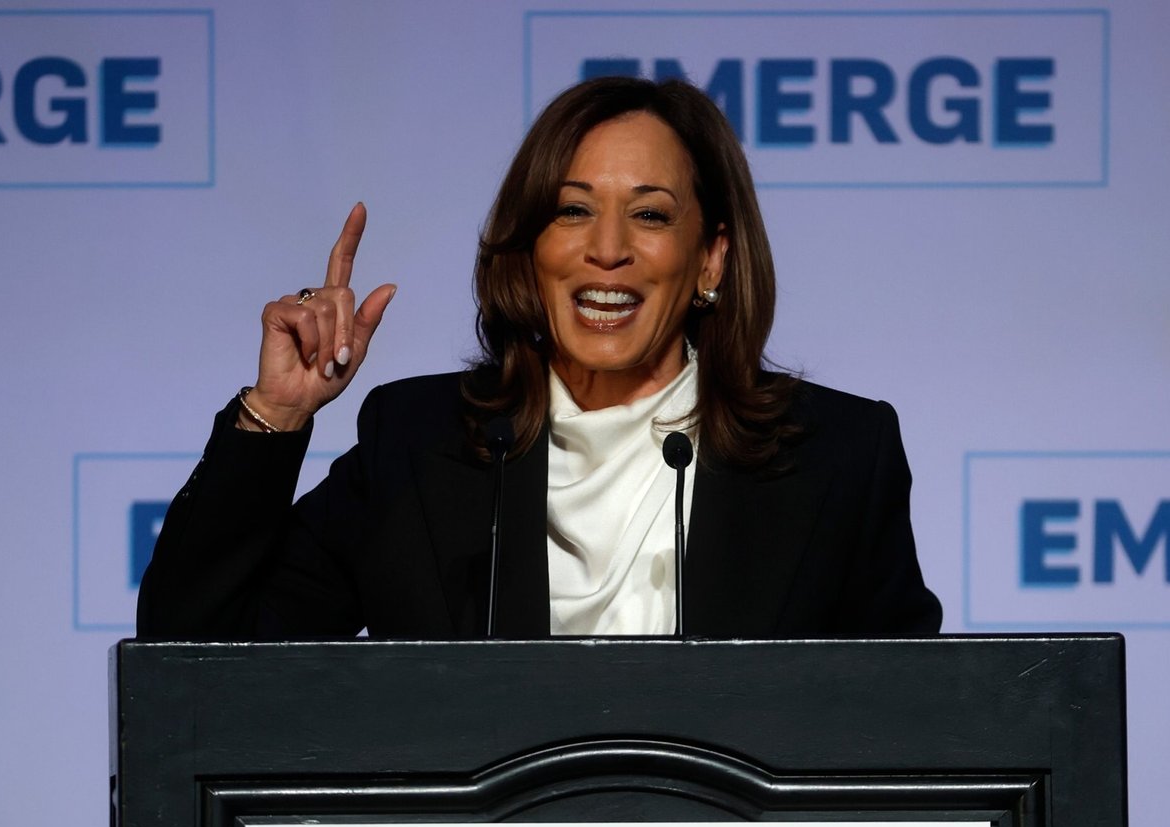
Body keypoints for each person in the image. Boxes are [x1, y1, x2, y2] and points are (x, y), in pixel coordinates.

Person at [136, 77, 940, 640]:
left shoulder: (837, 456)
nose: (608, 251)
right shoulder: (419, 445)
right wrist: (274, 416)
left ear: (711, 260)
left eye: (651, 215)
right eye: (573, 211)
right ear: (529, 251)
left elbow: (915, 733)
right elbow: (198, 656)